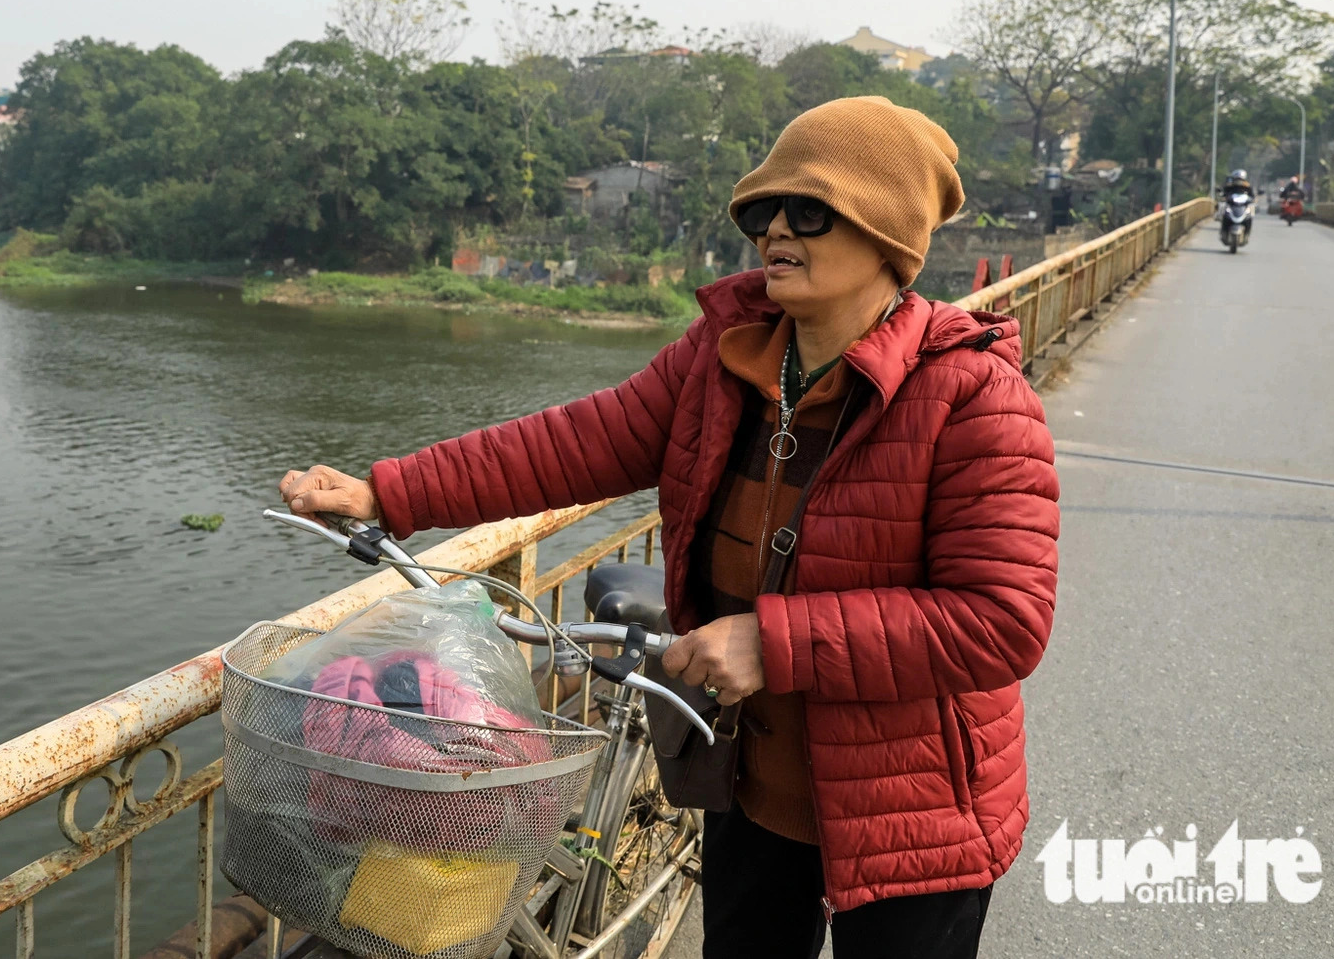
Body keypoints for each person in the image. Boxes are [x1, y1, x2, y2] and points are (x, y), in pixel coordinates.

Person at [280, 97, 1060, 959]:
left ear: (887, 237)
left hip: (914, 810)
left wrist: (774, 642)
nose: (775, 233)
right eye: (763, 211)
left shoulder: (973, 396)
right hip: (750, 780)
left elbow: (1003, 619)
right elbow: (571, 443)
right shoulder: (724, 355)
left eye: (809, 212)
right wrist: (388, 493)